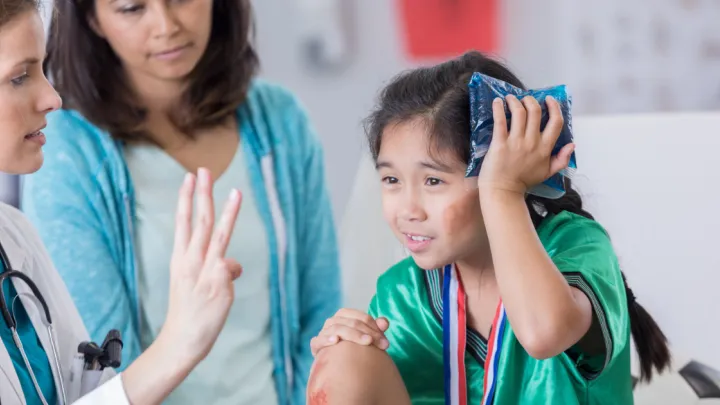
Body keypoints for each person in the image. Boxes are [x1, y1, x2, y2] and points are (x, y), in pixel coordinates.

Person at [19, 0, 340, 403]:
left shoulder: (280, 120)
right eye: (133, 8)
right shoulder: (65, 148)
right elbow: (102, 361)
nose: (166, 25)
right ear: (92, 19)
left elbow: (321, 313)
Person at [306, 51, 672, 405]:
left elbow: (544, 333)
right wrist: (339, 355)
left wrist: (503, 190)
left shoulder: (575, 246)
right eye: (390, 179)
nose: (408, 209)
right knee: (343, 361)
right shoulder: (402, 291)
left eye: (433, 181)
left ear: (505, 168)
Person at [0, 0, 247, 402]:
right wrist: (177, 345)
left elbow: (86, 389)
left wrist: (184, 335)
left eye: (42, 69)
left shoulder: (14, 236)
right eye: (19, 77)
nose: (52, 98)